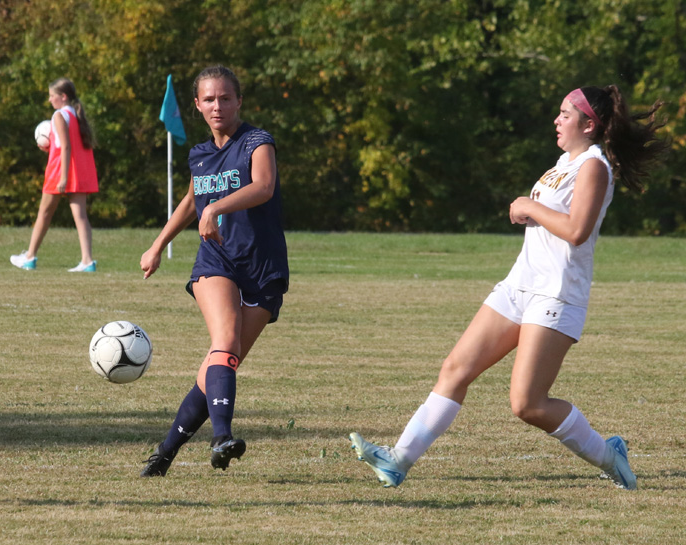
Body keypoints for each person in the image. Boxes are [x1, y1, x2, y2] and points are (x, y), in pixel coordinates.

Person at [349, 85, 668, 490]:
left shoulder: (593, 167)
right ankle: (398, 459)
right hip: (519, 285)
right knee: (455, 369)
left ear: (589, 125)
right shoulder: (563, 163)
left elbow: (577, 231)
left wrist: (528, 206)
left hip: (556, 294)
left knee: (527, 404)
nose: (556, 119)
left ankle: (608, 454)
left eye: (565, 115)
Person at [138, 66, 289, 477]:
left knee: (220, 364)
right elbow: (191, 201)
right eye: (209, 99)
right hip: (217, 260)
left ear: (239, 101)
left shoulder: (258, 142)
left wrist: (218, 207)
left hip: (262, 266)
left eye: (225, 98)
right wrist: (157, 245)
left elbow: (264, 186)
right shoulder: (200, 155)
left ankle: (164, 453)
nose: (217, 106)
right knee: (224, 341)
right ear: (197, 105)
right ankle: (222, 437)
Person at [10, 78, 99, 272]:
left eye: (52, 96)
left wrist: (63, 178)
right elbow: (65, 145)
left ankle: (30, 257)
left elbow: (66, 147)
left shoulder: (59, 115)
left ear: (63, 97)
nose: (50, 100)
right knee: (81, 216)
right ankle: (87, 261)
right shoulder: (75, 115)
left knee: (44, 213)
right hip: (75, 169)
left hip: (60, 170)